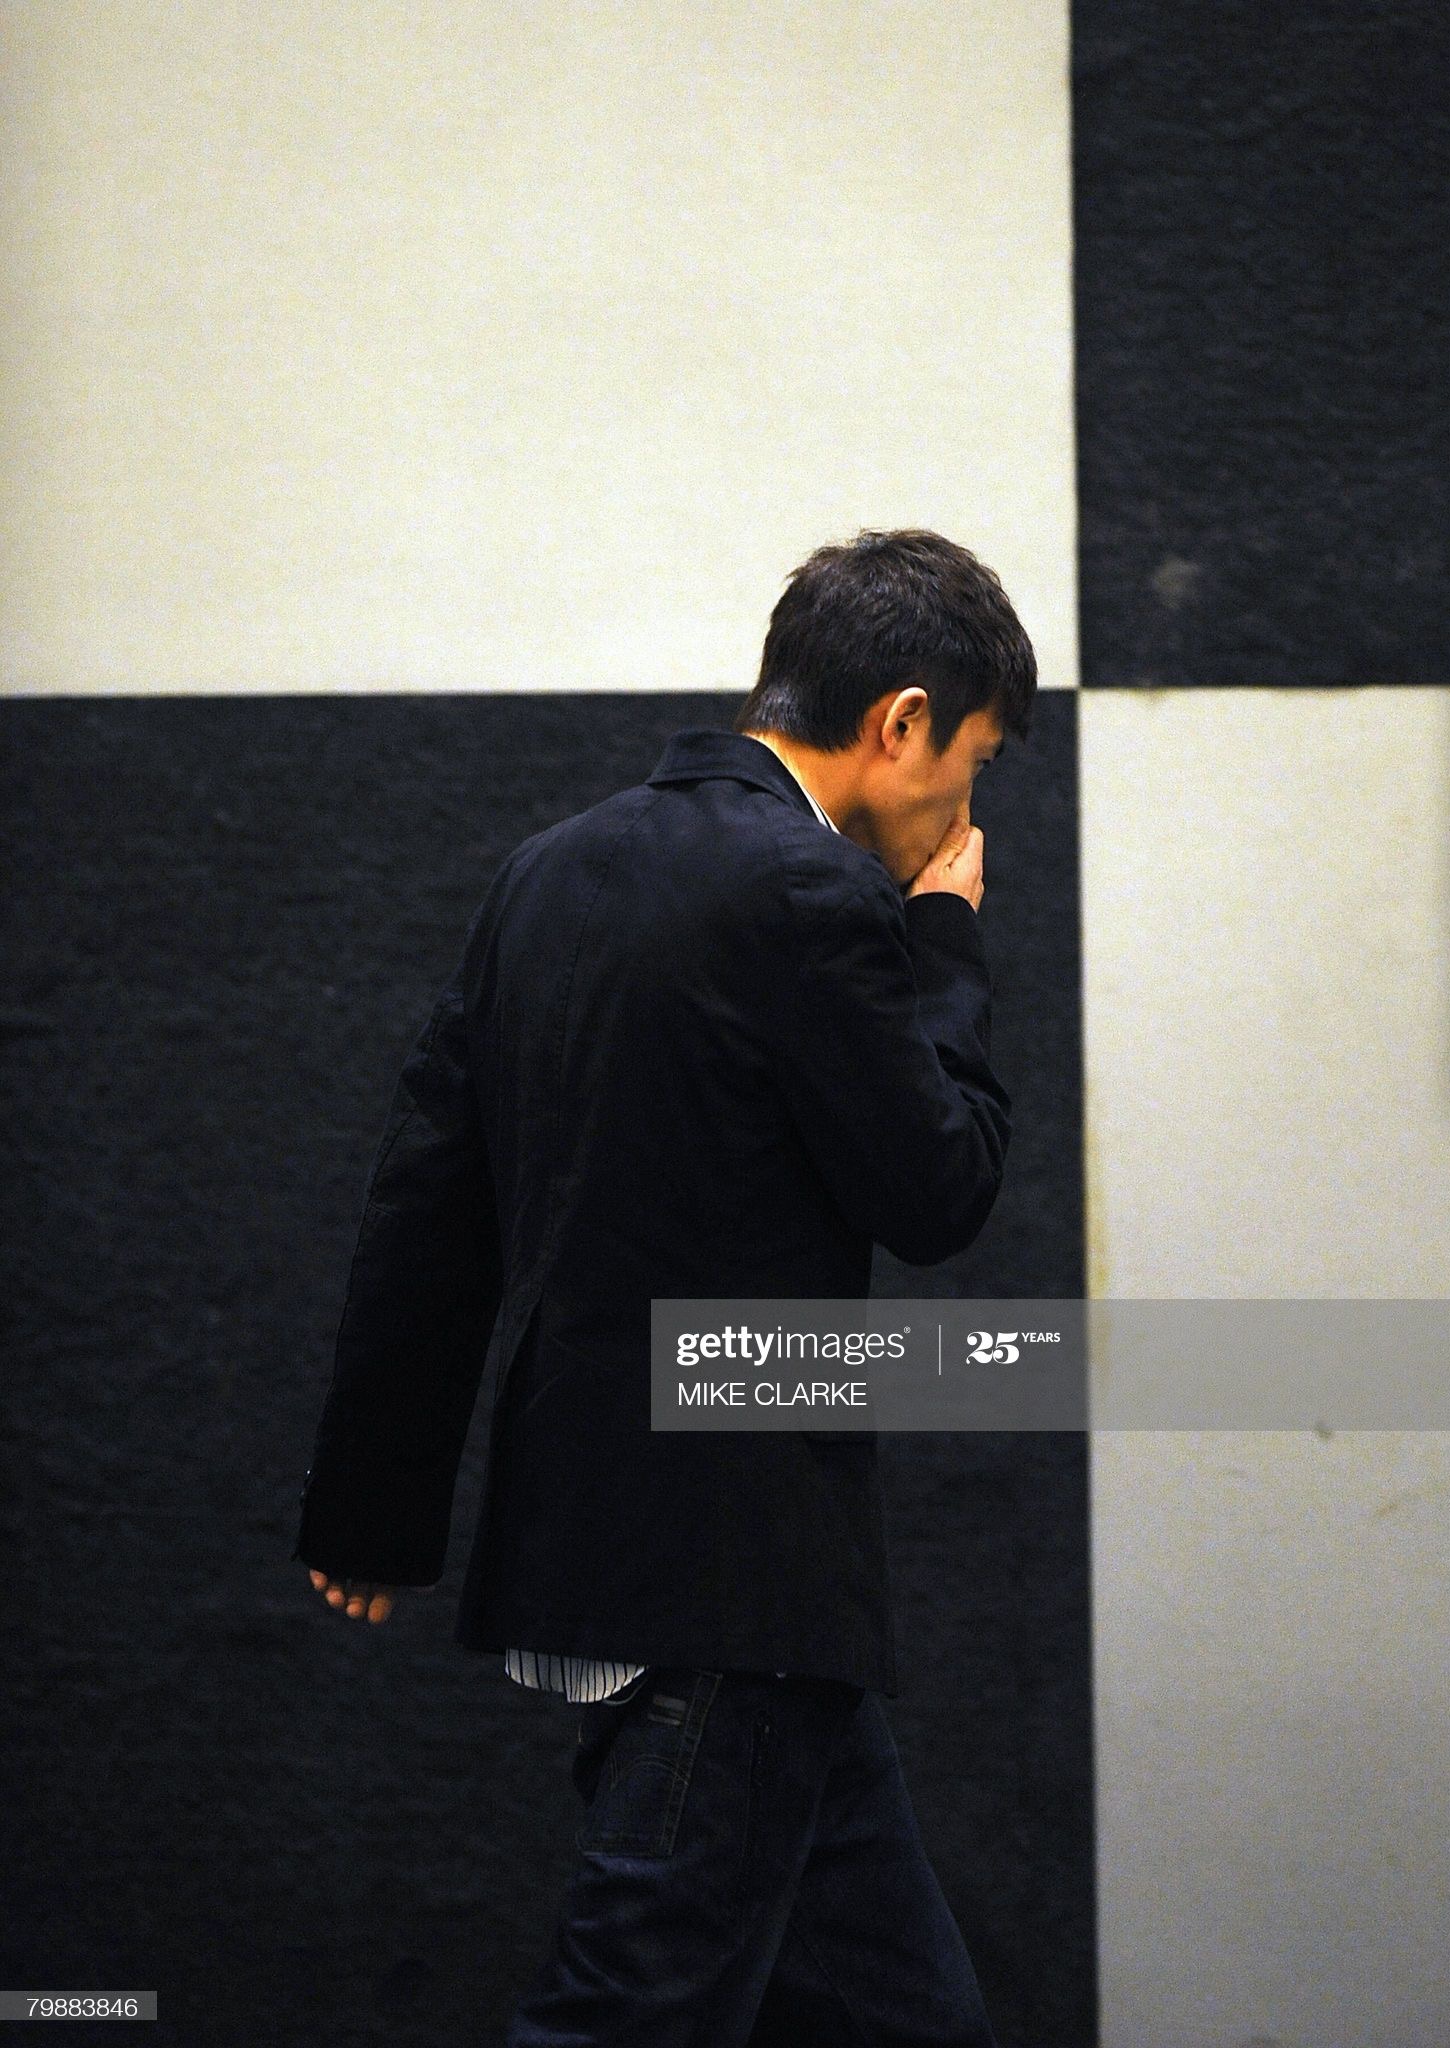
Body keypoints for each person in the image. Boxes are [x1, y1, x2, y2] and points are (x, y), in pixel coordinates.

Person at [292, 526, 1036, 2044]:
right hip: (732, 1576)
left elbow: (432, 1199)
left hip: (622, 1557)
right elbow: (939, 1191)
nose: (967, 811)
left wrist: (376, 1504)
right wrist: (947, 941)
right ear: (901, 722)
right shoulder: (815, 895)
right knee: (632, 2012)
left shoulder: (547, 874)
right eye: (973, 764)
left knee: (911, 2021)